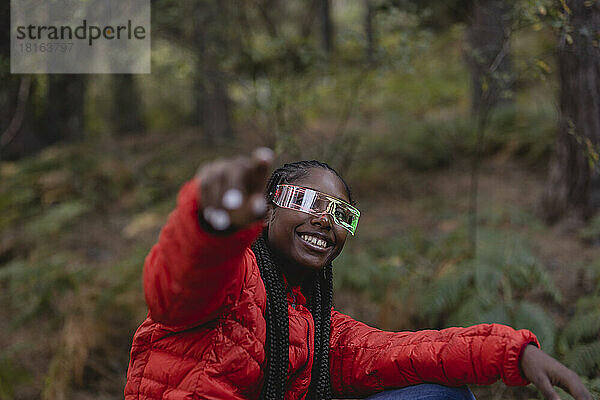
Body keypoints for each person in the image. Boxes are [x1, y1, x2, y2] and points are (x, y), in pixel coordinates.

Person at [125, 149, 592, 400]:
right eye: (308, 203)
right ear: (266, 210)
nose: (326, 221)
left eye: (341, 213)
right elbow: (181, 284)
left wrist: (512, 352)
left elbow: (403, 352)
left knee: (437, 396)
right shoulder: (230, 275)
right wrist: (209, 226)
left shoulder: (316, 325)